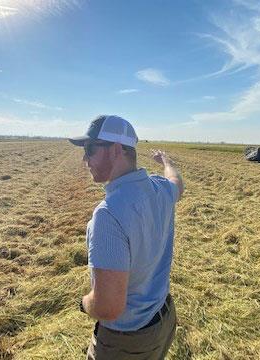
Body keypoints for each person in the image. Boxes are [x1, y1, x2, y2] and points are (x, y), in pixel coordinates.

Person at [69, 115, 184, 360]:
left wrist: (84, 302)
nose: (84, 160)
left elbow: (108, 307)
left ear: (116, 150)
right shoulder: (161, 189)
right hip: (162, 320)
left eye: (90, 150)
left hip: (127, 342)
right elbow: (177, 182)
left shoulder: (108, 215)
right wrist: (166, 161)